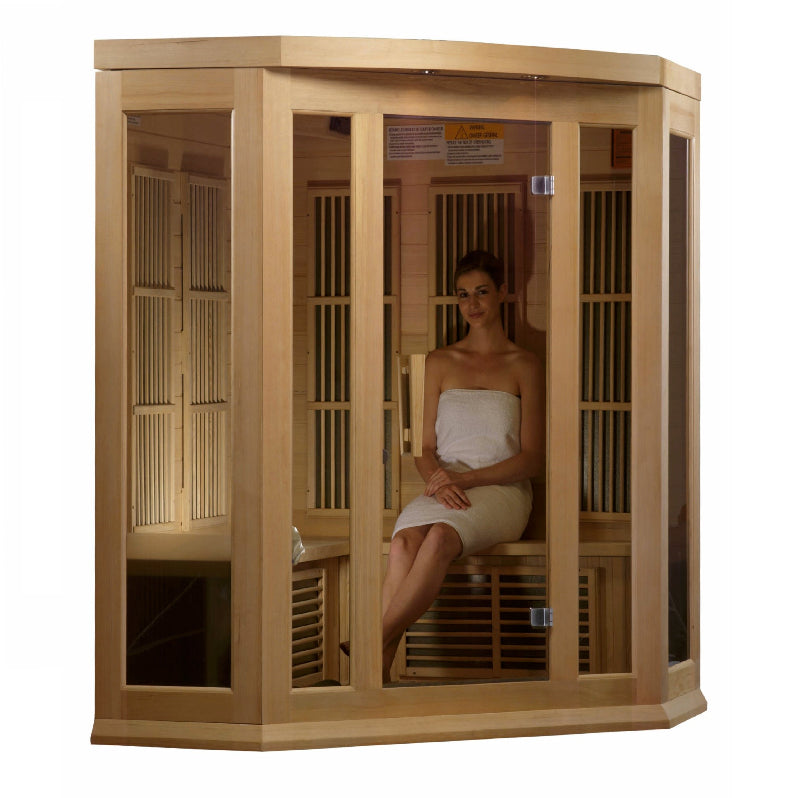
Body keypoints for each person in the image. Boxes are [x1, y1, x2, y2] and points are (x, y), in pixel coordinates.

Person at [381, 250, 545, 683]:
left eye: (482, 292)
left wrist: (465, 479)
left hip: (503, 491)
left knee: (438, 538)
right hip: (444, 484)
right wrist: (441, 480)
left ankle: (371, 640)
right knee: (401, 545)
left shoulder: (525, 365)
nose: (472, 303)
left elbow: (532, 459)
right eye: (463, 295)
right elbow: (424, 449)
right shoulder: (439, 362)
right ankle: (375, 674)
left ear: (503, 294)